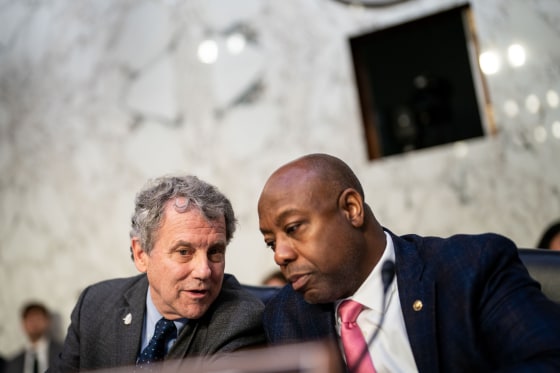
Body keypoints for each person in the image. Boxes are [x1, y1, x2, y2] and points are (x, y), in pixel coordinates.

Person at [257, 153, 560, 372]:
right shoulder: (285, 316)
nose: (280, 254)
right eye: (271, 242)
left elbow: (549, 359)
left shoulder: (471, 267)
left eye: (294, 228)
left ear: (351, 209)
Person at [50, 175, 265, 372]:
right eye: (184, 252)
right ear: (141, 254)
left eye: (215, 252)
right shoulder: (95, 305)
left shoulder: (240, 319)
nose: (204, 271)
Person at [5, 302, 63, 373]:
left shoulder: (63, 354)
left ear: (47, 321)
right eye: (30, 320)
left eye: (38, 319)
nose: (34, 324)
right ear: (23, 324)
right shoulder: (14, 362)